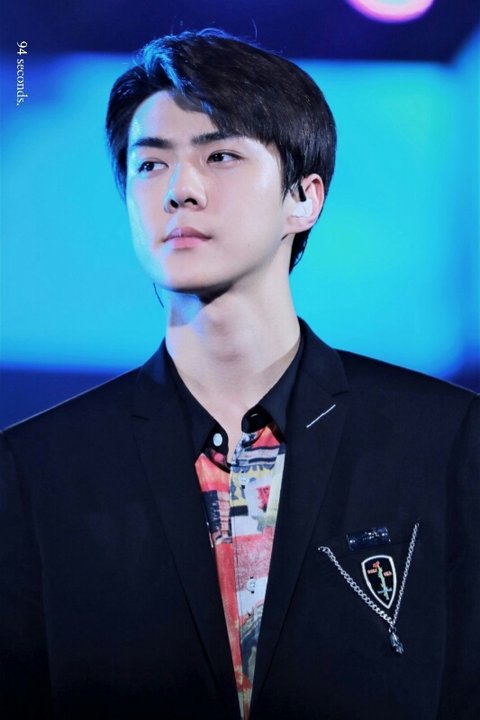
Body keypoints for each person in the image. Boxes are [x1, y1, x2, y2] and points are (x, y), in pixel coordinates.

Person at [0, 29, 478, 720]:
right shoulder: (37, 469)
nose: (180, 191)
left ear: (303, 198)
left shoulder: (443, 441)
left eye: (219, 155)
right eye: (150, 164)